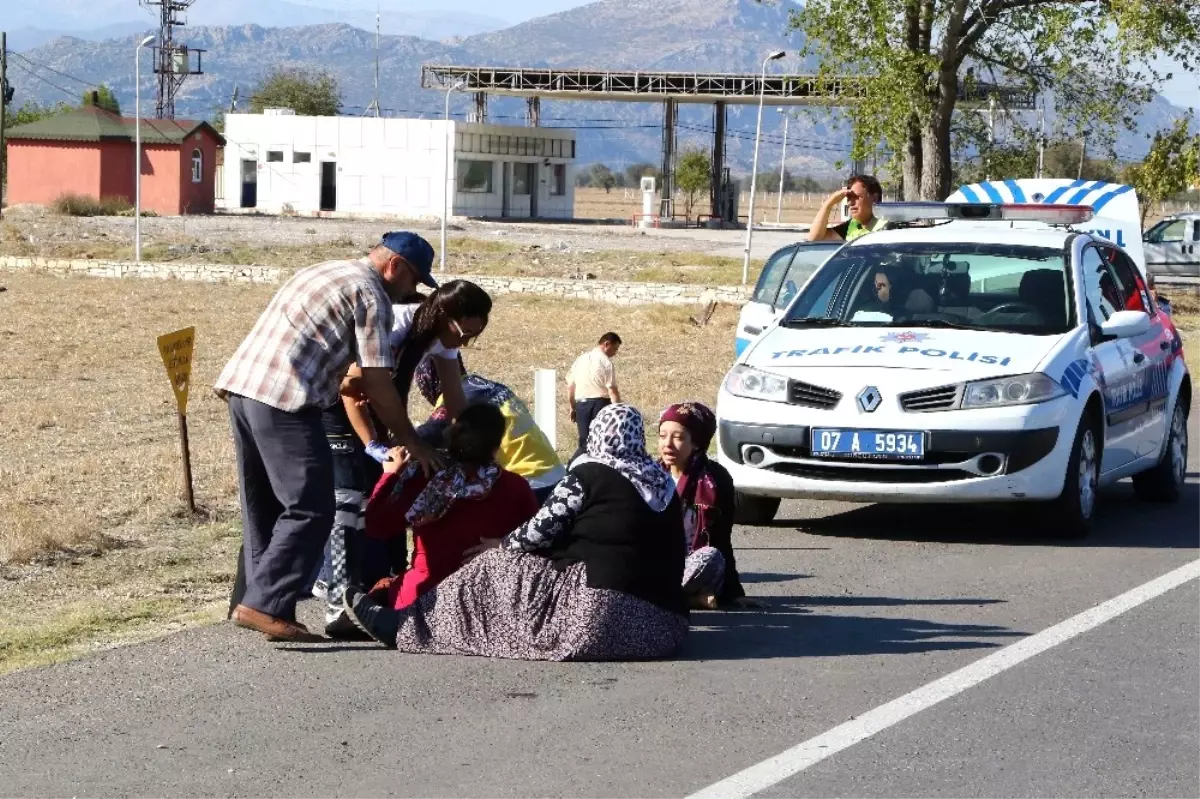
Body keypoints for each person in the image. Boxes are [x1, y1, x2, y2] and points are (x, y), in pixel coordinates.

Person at [215, 233, 439, 642]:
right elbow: (376, 382)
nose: (412, 292)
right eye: (414, 282)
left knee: (264, 504)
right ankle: (263, 604)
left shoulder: (325, 269)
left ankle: (260, 603)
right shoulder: (373, 296)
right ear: (395, 268)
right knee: (312, 505)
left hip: (243, 389)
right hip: (286, 397)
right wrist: (412, 439)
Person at [342, 404, 690, 662]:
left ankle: (405, 628)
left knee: (490, 566)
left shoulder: (590, 475)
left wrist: (501, 546)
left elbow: (538, 534)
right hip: (664, 631)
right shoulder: (663, 484)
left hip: (599, 624)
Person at [320, 278, 493, 636]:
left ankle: (365, 585)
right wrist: (378, 445)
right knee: (349, 504)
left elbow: (455, 400)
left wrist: (476, 449)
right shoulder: (394, 324)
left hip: (383, 416)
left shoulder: (440, 339)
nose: (463, 344)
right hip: (337, 411)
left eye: (471, 339)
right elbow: (350, 390)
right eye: (463, 334)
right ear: (446, 316)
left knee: (376, 498)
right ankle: (335, 598)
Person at [364, 403, 540, 609]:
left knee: (387, 589)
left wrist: (390, 474)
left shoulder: (425, 476)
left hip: (424, 597)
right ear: (496, 446)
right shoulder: (515, 486)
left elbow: (376, 526)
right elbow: (538, 542)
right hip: (488, 600)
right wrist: (504, 544)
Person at [414, 355, 567, 503]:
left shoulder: (456, 396)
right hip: (554, 473)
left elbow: (429, 434)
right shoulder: (480, 384)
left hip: (528, 482)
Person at [658, 402, 761, 611]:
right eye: (662, 436)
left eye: (678, 437)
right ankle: (686, 599)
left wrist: (735, 593)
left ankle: (661, 598)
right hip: (658, 564)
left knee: (711, 557)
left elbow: (722, 539)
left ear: (696, 442)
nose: (667, 444)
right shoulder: (650, 475)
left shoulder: (716, 480)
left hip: (691, 565)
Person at [567, 332, 622, 453]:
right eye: (615, 348)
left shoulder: (580, 360)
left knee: (584, 442)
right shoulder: (606, 362)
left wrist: (572, 407)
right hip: (600, 404)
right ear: (606, 344)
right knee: (600, 441)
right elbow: (612, 390)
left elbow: (571, 387)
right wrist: (618, 410)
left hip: (581, 404)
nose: (615, 353)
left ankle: (576, 467)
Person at [808, 174, 887, 242]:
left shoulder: (889, 226)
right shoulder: (851, 226)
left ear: (874, 198)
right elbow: (814, 239)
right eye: (848, 198)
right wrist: (829, 203)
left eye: (856, 197)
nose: (850, 203)